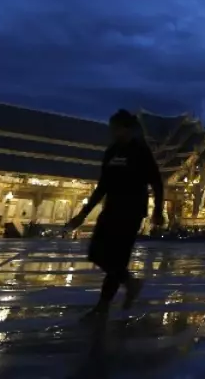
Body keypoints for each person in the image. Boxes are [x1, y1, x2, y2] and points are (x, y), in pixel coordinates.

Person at [66, 109, 164, 320]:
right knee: (96, 253)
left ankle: (103, 306)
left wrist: (158, 210)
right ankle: (131, 283)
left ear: (126, 129)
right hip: (110, 209)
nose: (112, 132)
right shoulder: (111, 152)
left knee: (117, 259)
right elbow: (102, 186)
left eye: (115, 128)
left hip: (131, 212)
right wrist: (82, 214)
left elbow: (157, 182)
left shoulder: (140, 151)